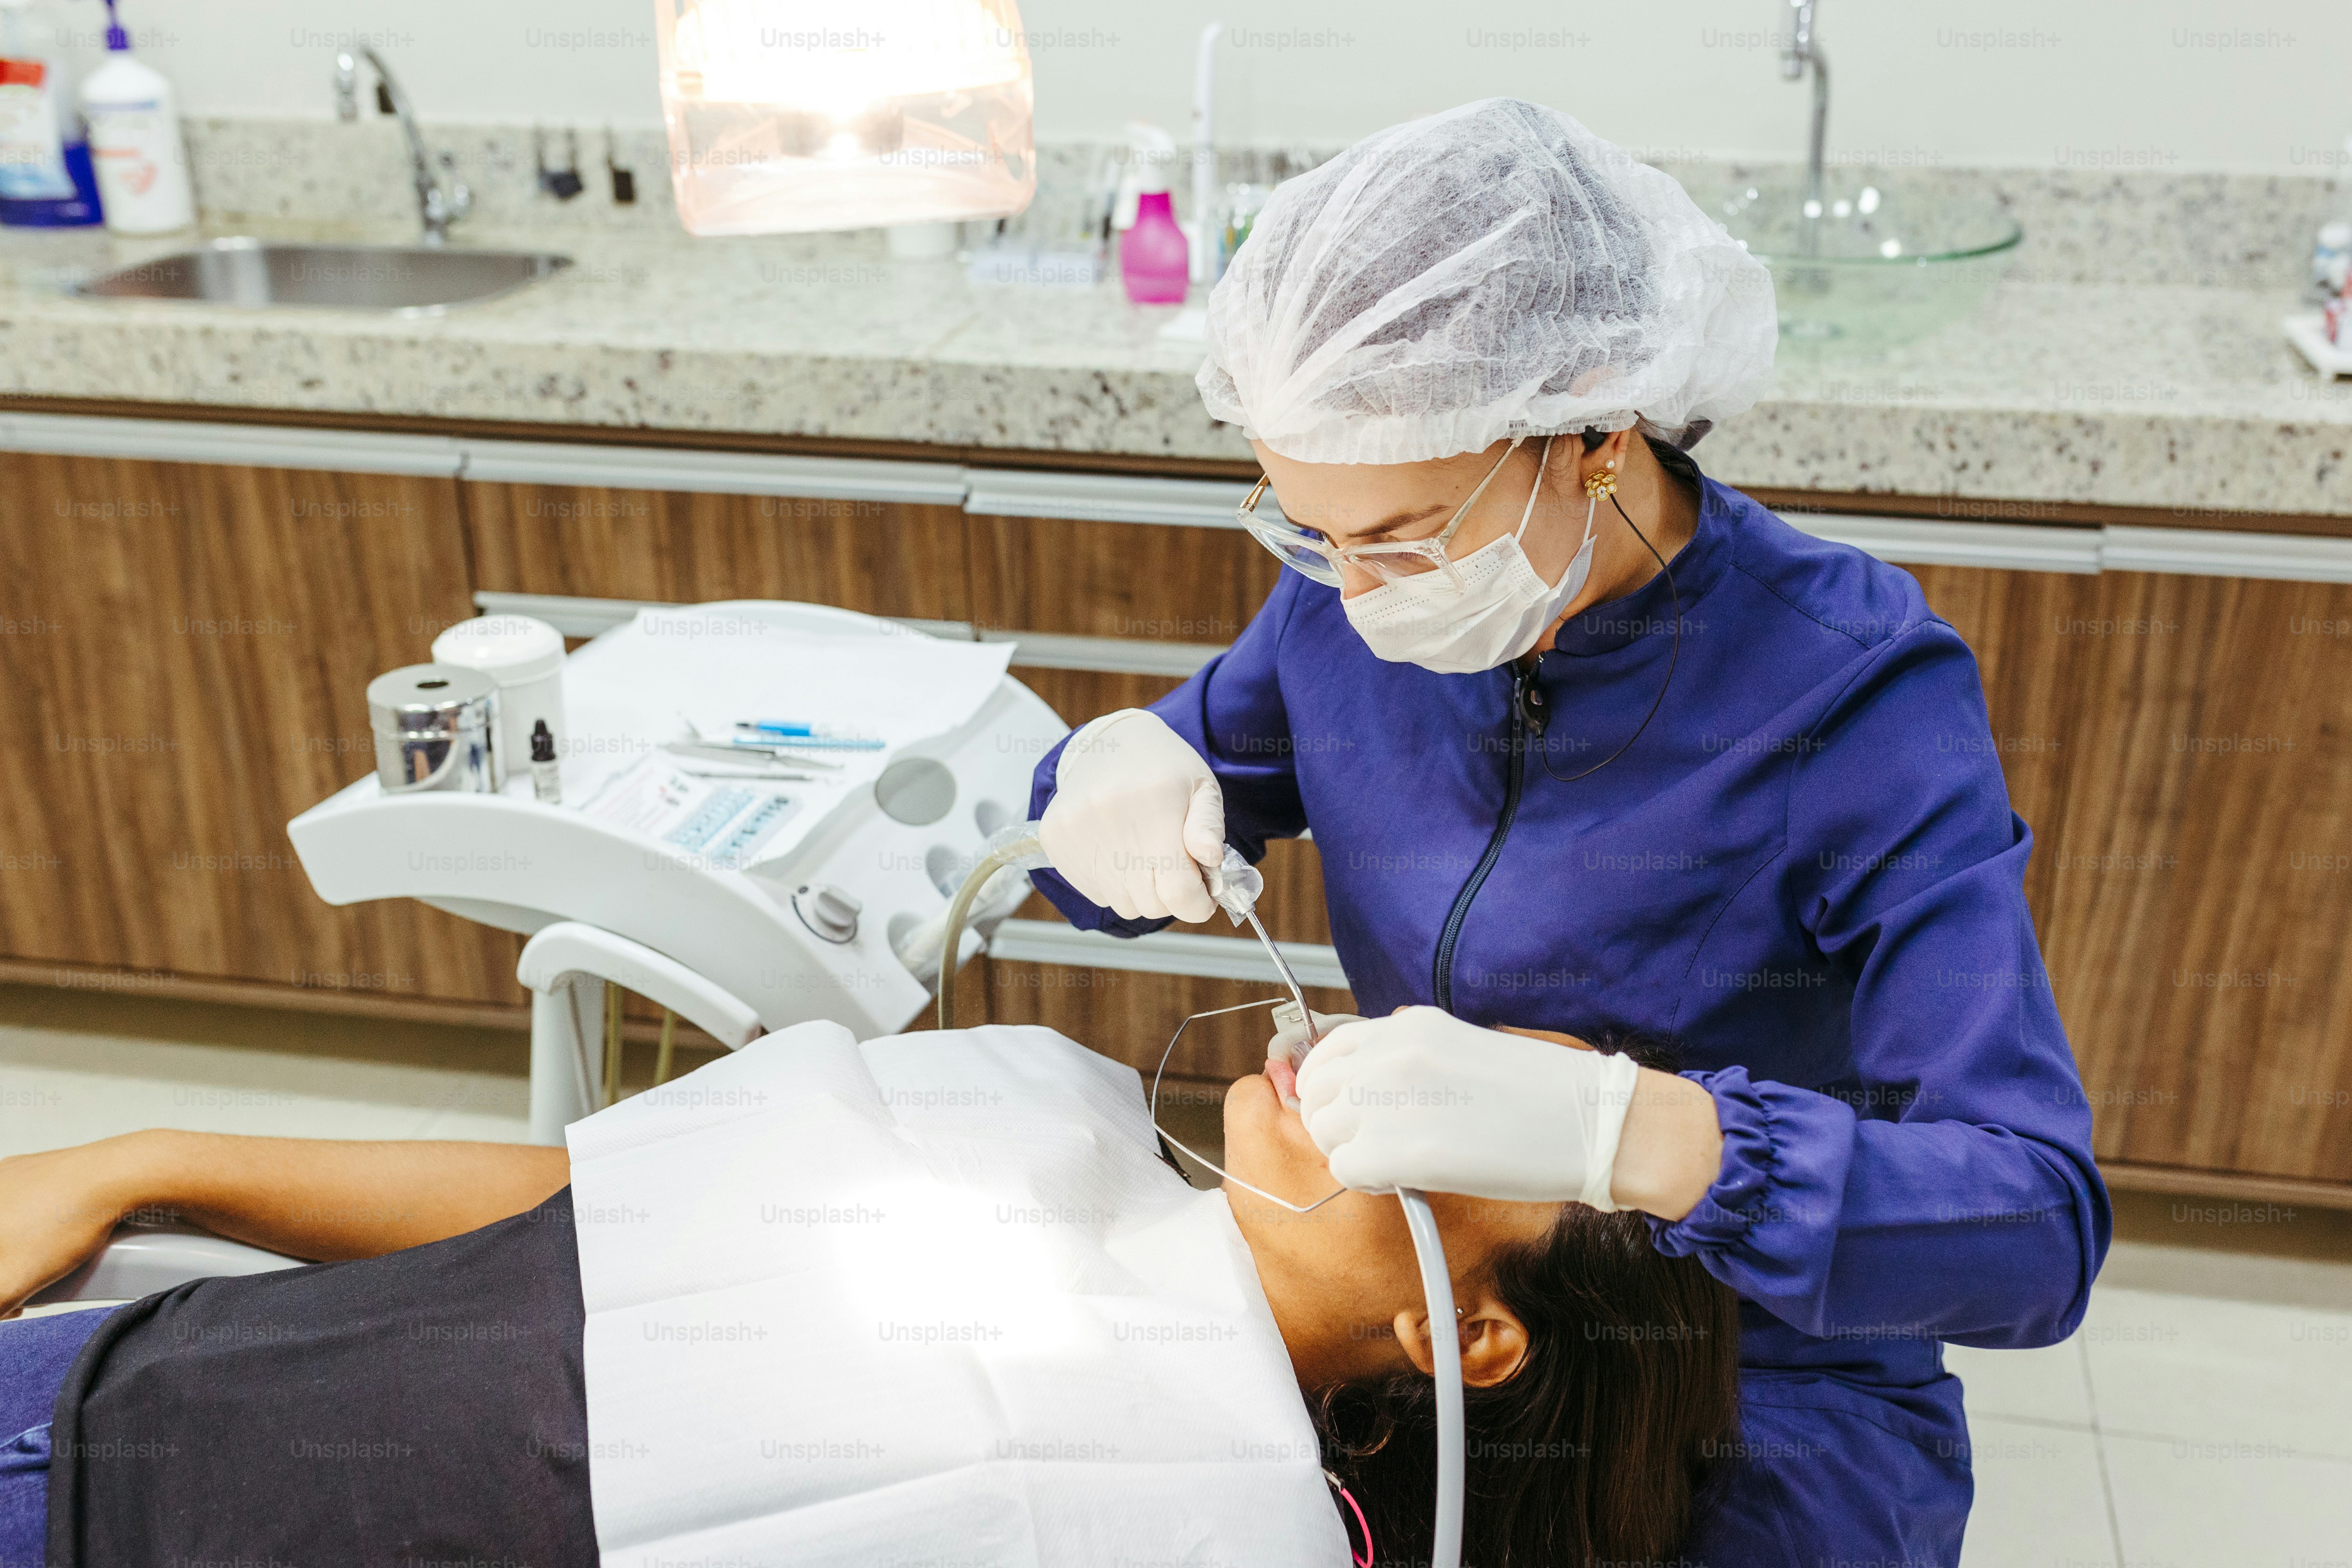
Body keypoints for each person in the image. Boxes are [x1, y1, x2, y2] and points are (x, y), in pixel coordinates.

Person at [1027, 97, 2111, 1562]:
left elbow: (2034, 1235)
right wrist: (1108, 776)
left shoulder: (1851, 694)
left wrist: (1642, 1140)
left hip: (1768, 1373)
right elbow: (1138, 826)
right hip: (1435, 1330)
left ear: (1597, 432)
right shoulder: (1359, 608)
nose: (1353, 596)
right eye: (1306, 531)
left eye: (1405, 538)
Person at [0, 1025, 1737, 1567]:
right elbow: (574, 1202)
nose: (1382, 1062)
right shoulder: (1040, 1116)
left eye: (1468, 1113)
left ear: (1471, 1335)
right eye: (1443, 1040)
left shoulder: (1213, 1527)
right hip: (107, 1360)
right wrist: (139, 1163)